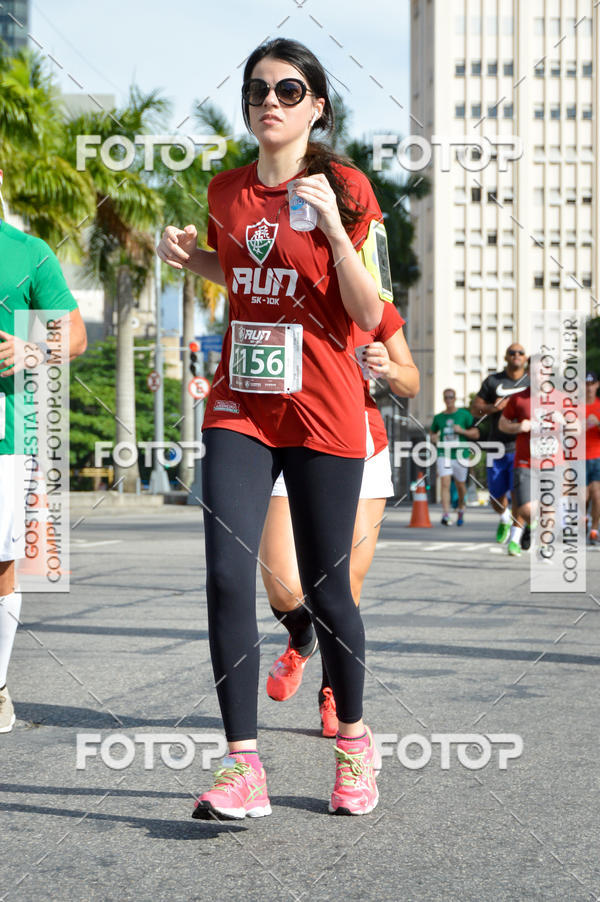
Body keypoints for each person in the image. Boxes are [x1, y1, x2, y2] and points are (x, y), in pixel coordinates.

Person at [157, 38, 392, 818]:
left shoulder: (346, 186)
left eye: (289, 91)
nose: (270, 102)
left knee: (327, 592)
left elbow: (367, 312)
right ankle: (242, 766)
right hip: (241, 405)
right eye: (258, 90)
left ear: (316, 106)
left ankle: (354, 743)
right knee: (228, 576)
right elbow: (242, 270)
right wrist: (188, 258)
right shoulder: (226, 190)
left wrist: (333, 229)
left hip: (324, 408)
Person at [260, 301, 418, 737]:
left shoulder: (373, 306)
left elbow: (411, 381)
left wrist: (389, 367)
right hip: (288, 437)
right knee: (283, 586)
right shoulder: (281, 288)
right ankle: (301, 636)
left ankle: (332, 693)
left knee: (344, 585)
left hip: (360, 445)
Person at [0, 215, 87, 733]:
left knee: (0, 564)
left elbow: (74, 336)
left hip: (4, 437)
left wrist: (31, 349)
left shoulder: (28, 251)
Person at [471, 344, 529, 542]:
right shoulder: (493, 381)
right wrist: (493, 407)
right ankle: (504, 517)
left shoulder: (531, 382)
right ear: (506, 357)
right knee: (496, 497)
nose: (516, 355)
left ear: (525, 358)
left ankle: (515, 538)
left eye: (520, 353)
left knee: (519, 494)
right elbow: (475, 410)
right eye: (512, 353)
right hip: (497, 447)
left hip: (523, 448)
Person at [430, 389, 478, 526]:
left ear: (455, 398)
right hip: (443, 453)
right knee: (445, 482)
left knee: (460, 485)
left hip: (461, 454)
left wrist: (462, 431)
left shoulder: (464, 415)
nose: (448, 400)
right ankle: (446, 514)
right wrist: (434, 437)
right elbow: (432, 433)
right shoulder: (438, 417)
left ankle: (461, 508)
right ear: (443, 399)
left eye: (451, 397)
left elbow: (476, 433)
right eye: (446, 397)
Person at [498, 387, 532, 556]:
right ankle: (528, 526)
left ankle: (516, 539)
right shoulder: (519, 398)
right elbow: (502, 424)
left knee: (547, 506)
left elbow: (577, 426)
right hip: (523, 459)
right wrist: (519, 426)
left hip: (552, 461)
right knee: (522, 504)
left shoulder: (560, 398)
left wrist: (563, 422)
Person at [585, 371, 600, 546]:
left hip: (597, 456)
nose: (589, 388)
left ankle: (594, 530)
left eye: (592, 384)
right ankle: (584, 520)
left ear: (597, 385)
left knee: (597, 495)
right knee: (583, 496)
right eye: (586, 384)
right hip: (578, 458)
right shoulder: (574, 407)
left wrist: (598, 423)